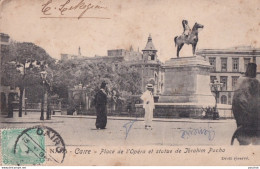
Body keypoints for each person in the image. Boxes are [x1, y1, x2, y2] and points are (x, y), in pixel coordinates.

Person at [232, 63, 260, 145]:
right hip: (253, 121)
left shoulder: (240, 81)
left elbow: (236, 101)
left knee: (243, 144)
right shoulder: (255, 82)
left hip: (241, 120)